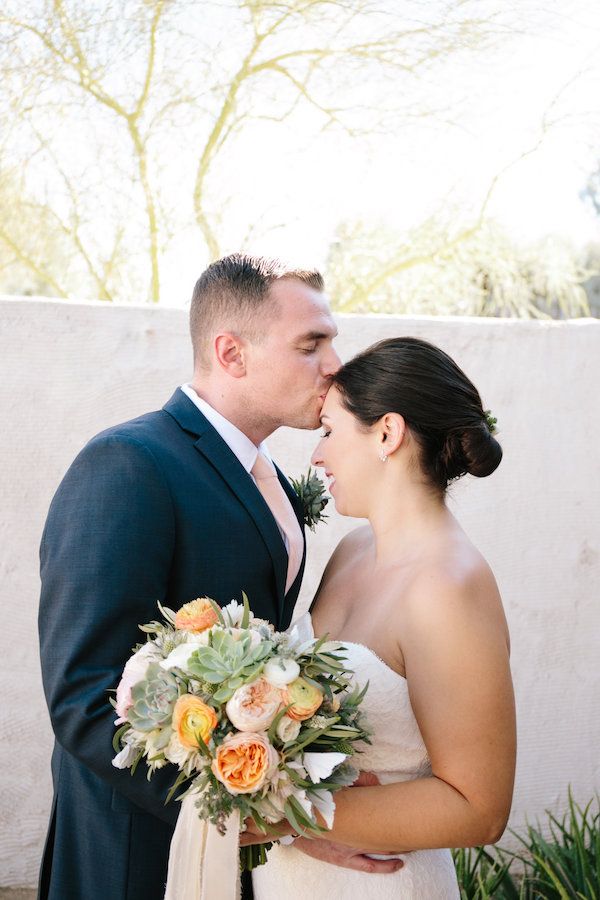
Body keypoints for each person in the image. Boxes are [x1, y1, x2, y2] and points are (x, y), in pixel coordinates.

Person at [39, 253, 399, 900]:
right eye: (311, 343)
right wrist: (265, 816)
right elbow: (84, 699)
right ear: (231, 352)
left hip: (237, 864)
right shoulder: (128, 465)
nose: (334, 364)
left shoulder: (274, 485)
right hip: (136, 858)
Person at [251, 336, 516, 900]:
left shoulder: (449, 586)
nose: (317, 456)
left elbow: (479, 808)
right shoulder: (353, 550)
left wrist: (282, 814)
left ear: (387, 434)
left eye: (328, 431)